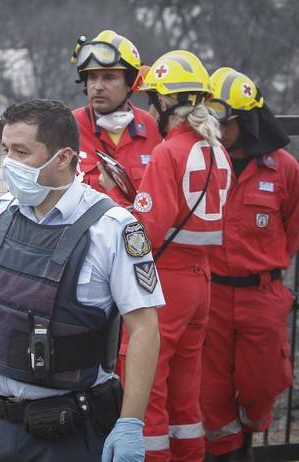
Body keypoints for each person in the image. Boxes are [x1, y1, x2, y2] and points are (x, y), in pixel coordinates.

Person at [0, 98, 164, 461]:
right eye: (6, 149)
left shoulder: (112, 229)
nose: (10, 162)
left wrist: (130, 421)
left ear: (64, 157)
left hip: (69, 429)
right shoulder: (1, 212)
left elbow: (145, 328)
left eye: (22, 152)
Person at [130, 50, 233, 461]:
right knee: (186, 392)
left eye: (153, 98)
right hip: (201, 280)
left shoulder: (167, 153)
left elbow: (146, 231)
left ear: (166, 103)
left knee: (148, 383)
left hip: (165, 283)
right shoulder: (217, 152)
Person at [200, 68, 299, 461]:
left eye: (224, 123)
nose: (217, 130)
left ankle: (249, 429)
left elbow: (292, 229)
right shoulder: (204, 160)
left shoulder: (285, 169)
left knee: (262, 383)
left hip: (262, 295)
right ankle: (227, 453)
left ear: (247, 121)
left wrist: (267, 267)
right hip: (212, 295)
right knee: (211, 393)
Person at [71, 30, 161, 208]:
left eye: (109, 77)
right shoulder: (69, 126)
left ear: (130, 82)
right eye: (92, 77)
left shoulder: (151, 127)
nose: (97, 87)